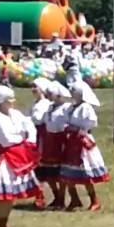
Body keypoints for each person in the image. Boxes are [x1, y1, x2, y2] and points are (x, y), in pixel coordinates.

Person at [0, 86, 41, 227]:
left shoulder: (15, 114)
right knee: (5, 194)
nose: (12, 103)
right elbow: (6, 139)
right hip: (4, 158)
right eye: (8, 101)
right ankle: (0, 224)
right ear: (1, 102)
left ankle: (3, 224)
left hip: (19, 154)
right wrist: (22, 136)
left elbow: (30, 126)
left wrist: (30, 139)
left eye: (12, 100)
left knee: (11, 195)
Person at [60, 81, 110, 212]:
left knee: (86, 172)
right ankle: (74, 199)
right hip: (71, 141)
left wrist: (80, 129)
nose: (72, 94)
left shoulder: (86, 108)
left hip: (82, 141)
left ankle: (94, 200)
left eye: (74, 92)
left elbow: (92, 122)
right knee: (67, 171)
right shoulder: (71, 107)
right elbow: (65, 120)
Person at [36, 81, 72, 210]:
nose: (49, 96)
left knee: (60, 171)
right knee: (48, 170)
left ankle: (62, 198)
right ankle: (56, 196)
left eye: (52, 94)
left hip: (61, 139)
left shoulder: (67, 108)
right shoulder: (50, 107)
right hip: (49, 139)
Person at [29, 77, 52, 209]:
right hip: (33, 134)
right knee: (35, 168)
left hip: (41, 136)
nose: (33, 89)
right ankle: (39, 196)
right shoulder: (35, 103)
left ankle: (41, 196)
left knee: (40, 166)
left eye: (35, 87)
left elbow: (39, 120)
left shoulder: (45, 104)